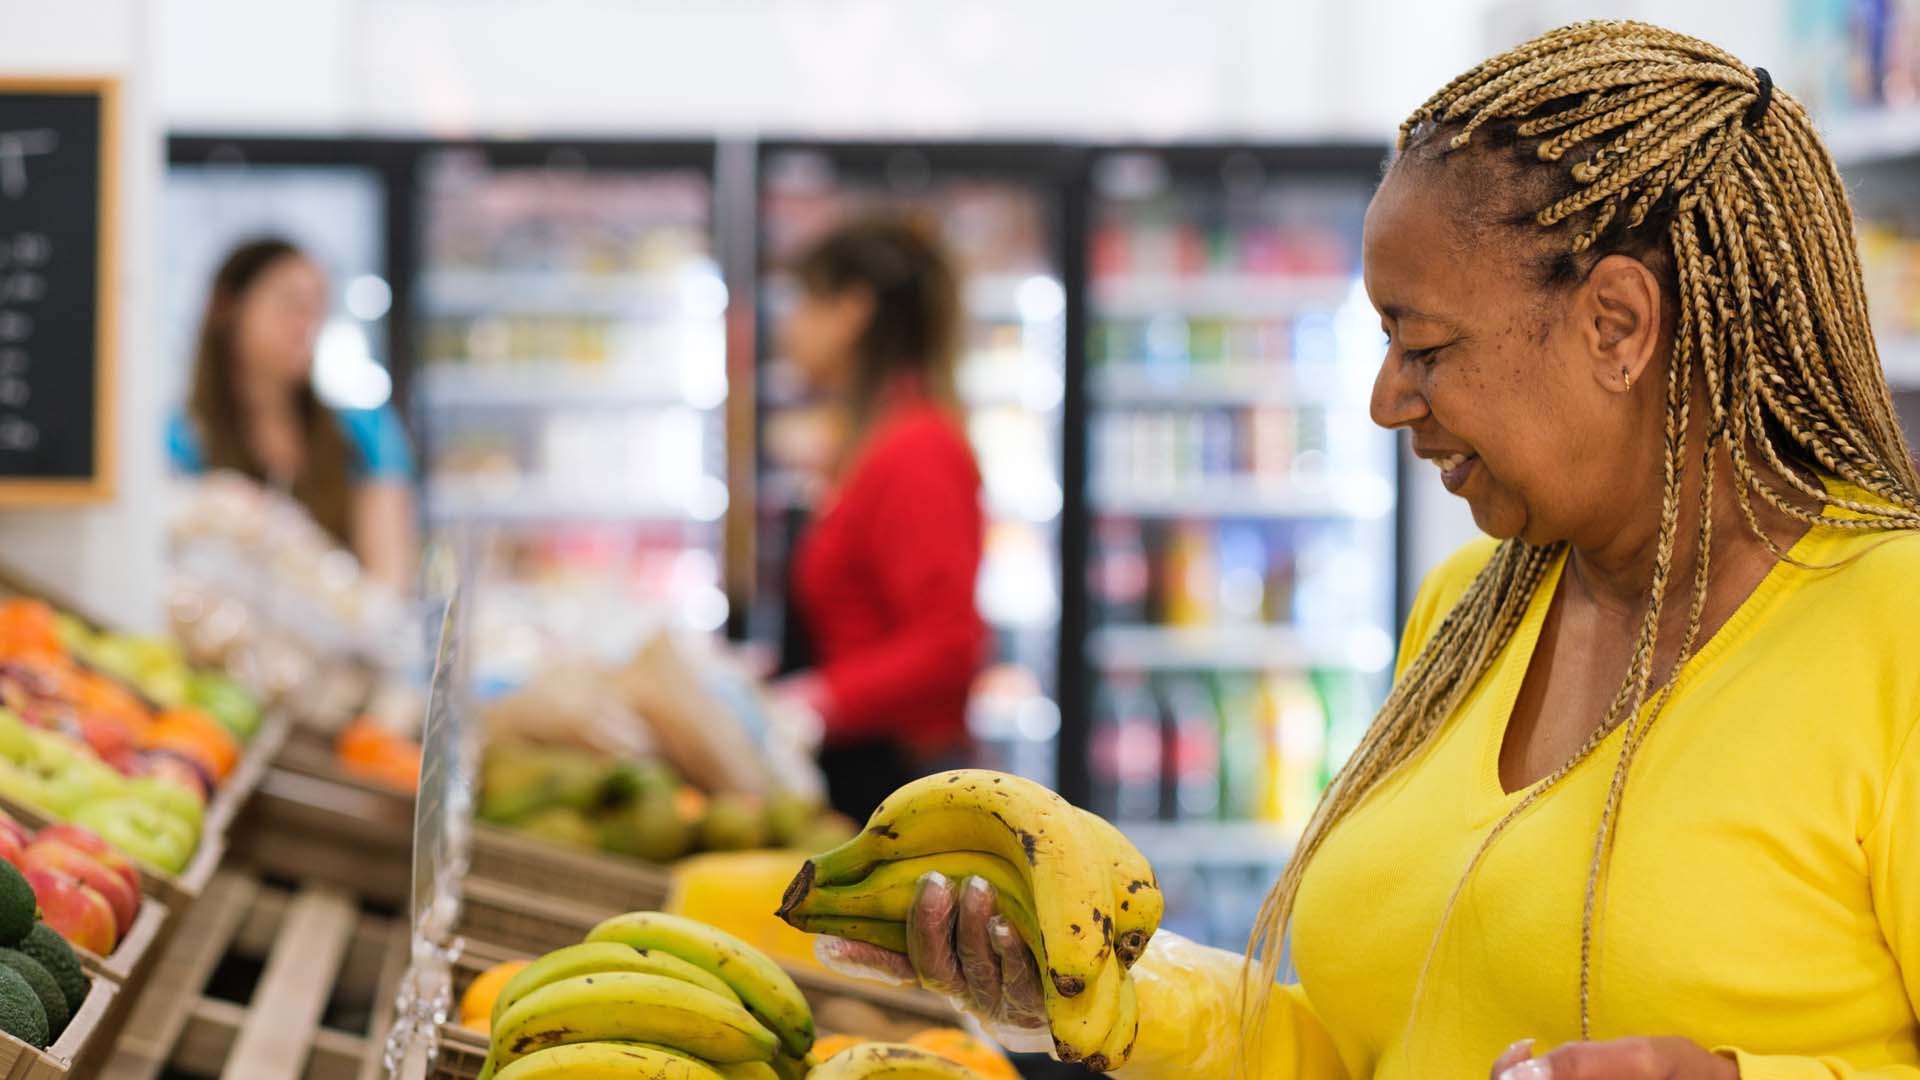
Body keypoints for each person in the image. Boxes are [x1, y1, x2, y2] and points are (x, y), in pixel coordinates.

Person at [821, 21, 1920, 1080]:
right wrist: (1098, 997)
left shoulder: (1892, 631)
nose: (1387, 400)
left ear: (1618, 325)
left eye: (1424, 344)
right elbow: (1363, 1050)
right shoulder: (1466, 613)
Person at [771, 213, 988, 822]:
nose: (789, 326)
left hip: (898, 784)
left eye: (804, 301)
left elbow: (949, 644)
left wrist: (819, 700)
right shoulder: (868, 442)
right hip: (864, 769)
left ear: (851, 312)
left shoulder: (917, 450)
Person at [170, 238, 418, 591]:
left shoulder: (368, 435)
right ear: (227, 307)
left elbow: (389, 585)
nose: (306, 326)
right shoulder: (182, 442)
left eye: (317, 308)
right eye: (290, 305)